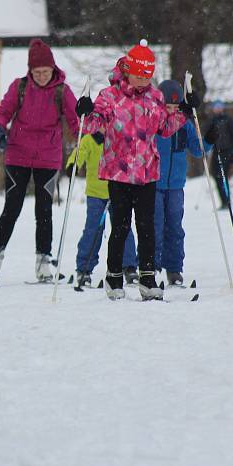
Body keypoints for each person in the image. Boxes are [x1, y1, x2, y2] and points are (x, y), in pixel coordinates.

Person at [79, 40, 192, 301]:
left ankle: (148, 278)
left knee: (147, 227)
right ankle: (114, 276)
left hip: (146, 172)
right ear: (128, 70)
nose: (143, 80)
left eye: (148, 75)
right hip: (118, 172)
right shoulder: (110, 96)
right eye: (139, 75)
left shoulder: (155, 97)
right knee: (120, 226)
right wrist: (85, 112)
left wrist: (184, 112)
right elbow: (94, 123)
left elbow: (164, 127)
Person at [0, 39, 80, 285]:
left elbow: (76, 119)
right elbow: (2, 112)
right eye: (37, 72)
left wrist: (86, 135)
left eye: (46, 72)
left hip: (48, 158)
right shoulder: (20, 87)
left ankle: (43, 261)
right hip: (18, 155)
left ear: (53, 69)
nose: (42, 77)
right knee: (11, 208)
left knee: (44, 211)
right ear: (30, 71)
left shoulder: (62, 91)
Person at [152, 80, 214, 286]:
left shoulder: (184, 124)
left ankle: (174, 268)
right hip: (155, 183)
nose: (171, 111)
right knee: (155, 225)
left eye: (175, 108)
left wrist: (209, 139)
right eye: (167, 107)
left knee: (175, 227)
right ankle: (150, 265)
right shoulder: (154, 122)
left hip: (176, 184)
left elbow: (197, 150)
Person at [66, 132, 138, 288]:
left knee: (123, 229)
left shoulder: (120, 136)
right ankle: (84, 268)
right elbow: (80, 152)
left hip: (118, 190)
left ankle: (129, 266)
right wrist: (73, 165)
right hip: (96, 194)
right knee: (93, 230)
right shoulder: (90, 139)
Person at [207, 100, 233, 209]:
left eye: (219, 106)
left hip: (227, 151)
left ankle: (227, 201)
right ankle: (224, 201)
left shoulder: (228, 119)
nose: (218, 109)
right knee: (217, 177)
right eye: (215, 107)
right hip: (216, 152)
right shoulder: (212, 120)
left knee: (223, 176)